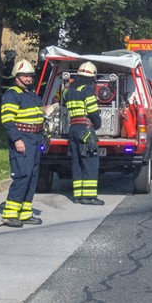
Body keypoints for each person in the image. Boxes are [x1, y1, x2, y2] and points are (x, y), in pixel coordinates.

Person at [0, 59, 43, 226]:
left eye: (30, 75)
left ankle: (25, 213)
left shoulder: (31, 94)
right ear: (16, 77)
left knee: (32, 177)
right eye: (24, 75)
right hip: (23, 138)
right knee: (22, 175)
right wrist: (17, 139)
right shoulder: (12, 94)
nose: (28, 78)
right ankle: (10, 214)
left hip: (35, 138)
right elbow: (7, 120)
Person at [61, 62, 103, 206]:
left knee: (77, 162)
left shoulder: (67, 91)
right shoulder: (87, 90)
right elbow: (92, 111)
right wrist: (97, 124)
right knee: (91, 161)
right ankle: (89, 197)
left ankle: (78, 196)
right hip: (85, 128)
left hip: (73, 128)